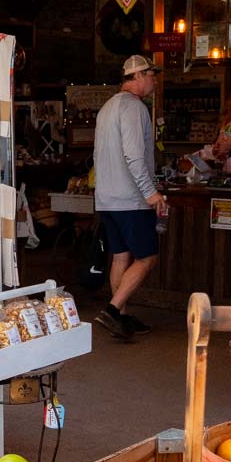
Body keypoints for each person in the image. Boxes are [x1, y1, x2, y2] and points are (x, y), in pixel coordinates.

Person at [92, 54, 165, 340]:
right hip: (130, 198)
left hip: (107, 196)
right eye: (151, 75)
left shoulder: (108, 107)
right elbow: (134, 156)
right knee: (147, 258)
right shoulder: (135, 108)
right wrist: (150, 193)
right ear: (137, 76)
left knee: (121, 257)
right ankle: (111, 310)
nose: (154, 81)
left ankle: (120, 318)